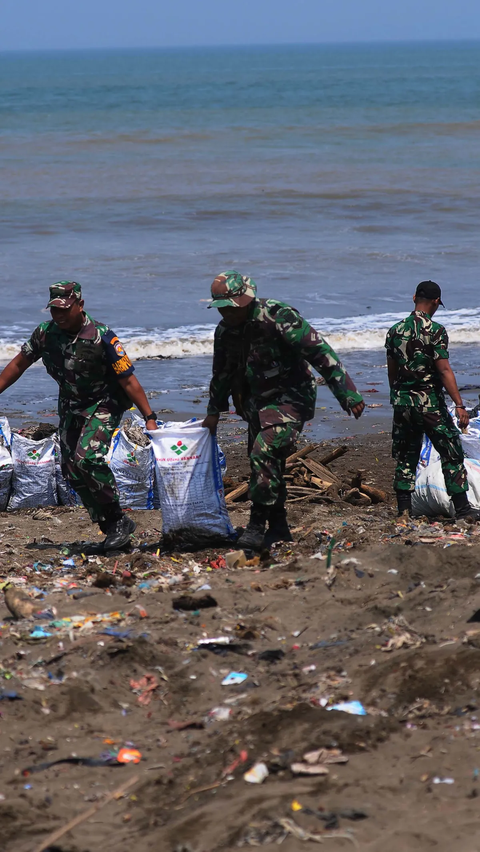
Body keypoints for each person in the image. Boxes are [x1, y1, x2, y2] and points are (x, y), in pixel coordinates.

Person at [202, 270, 365, 550]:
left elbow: (319, 352)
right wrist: (214, 412)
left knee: (263, 452)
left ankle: (256, 525)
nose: (226, 314)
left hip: (292, 397)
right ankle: (278, 527)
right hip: (255, 403)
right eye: (222, 309)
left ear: (243, 301)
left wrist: (347, 393)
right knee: (268, 463)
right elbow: (222, 373)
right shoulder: (225, 331)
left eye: (230, 308)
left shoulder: (278, 316)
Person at [0, 281, 159, 549]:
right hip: (71, 403)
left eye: (65, 309)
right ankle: (109, 525)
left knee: (88, 459)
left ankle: (119, 519)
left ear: (80, 305)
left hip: (104, 403)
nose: (59, 316)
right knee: (71, 469)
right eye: (54, 310)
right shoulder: (45, 334)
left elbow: (128, 380)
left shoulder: (102, 335)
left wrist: (150, 417)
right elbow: (19, 364)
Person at [385, 280, 480, 521]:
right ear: (436, 301)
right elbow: (444, 370)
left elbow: (392, 372)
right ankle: (462, 509)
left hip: (403, 404)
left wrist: (398, 397)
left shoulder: (394, 331)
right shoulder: (436, 330)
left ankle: (404, 512)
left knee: (406, 456)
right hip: (430, 404)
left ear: (414, 296)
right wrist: (459, 404)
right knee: (450, 452)